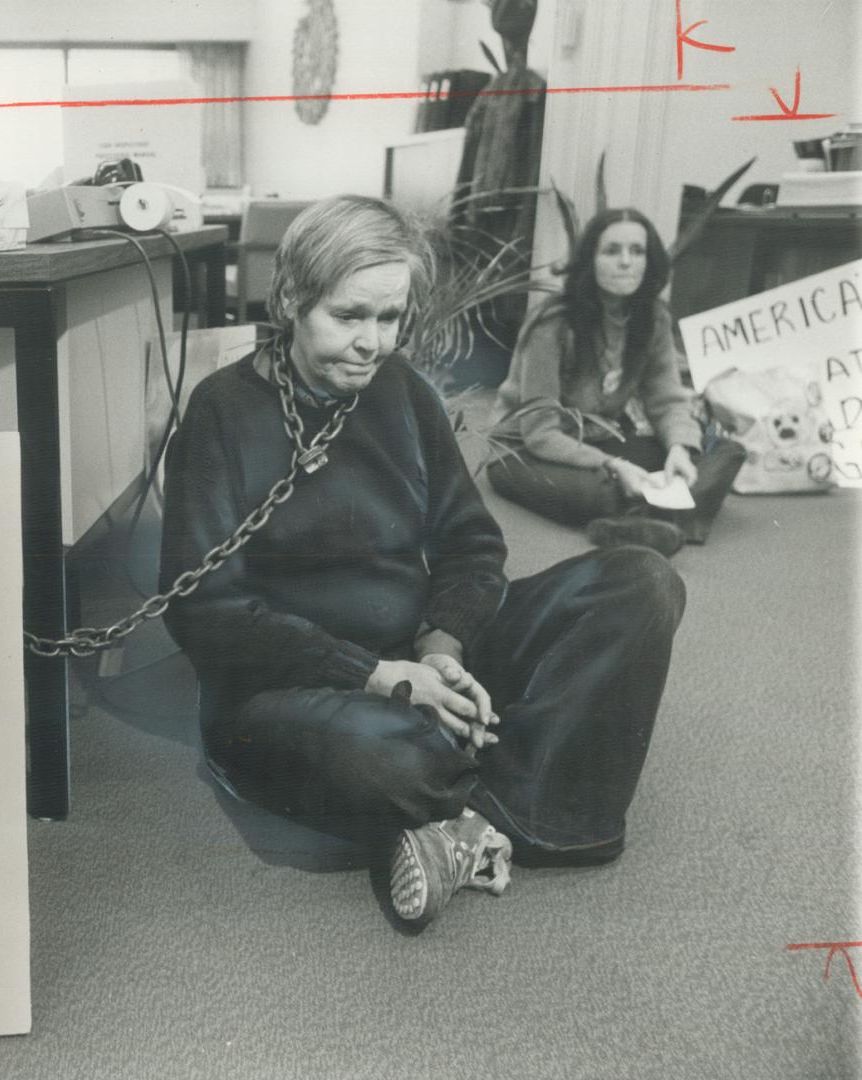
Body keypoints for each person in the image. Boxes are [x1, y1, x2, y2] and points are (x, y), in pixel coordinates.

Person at [159, 195, 687, 931]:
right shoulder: (220, 413)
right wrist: (377, 678)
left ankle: (460, 816)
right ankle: (519, 788)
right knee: (382, 753)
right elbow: (207, 614)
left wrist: (441, 650)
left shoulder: (401, 391)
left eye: (388, 318)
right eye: (348, 316)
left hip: (417, 652)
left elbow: (470, 545)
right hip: (297, 686)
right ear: (288, 300)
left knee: (640, 582)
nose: (372, 343)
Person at [487, 207, 747, 555]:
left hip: (601, 435)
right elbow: (540, 432)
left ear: (649, 260)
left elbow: (666, 400)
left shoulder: (653, 317)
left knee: (724, 450)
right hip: (525, 448)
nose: (626, 262)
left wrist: (678, 450)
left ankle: (639, 520)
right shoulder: (552, 323)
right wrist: (613, 465)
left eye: (636, 251)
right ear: (589, 259)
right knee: (598, 491)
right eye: (612, 251)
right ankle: (663, 516)